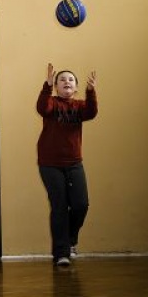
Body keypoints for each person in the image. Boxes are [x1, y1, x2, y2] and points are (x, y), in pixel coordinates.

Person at [37, 63, 98, 266]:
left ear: (76, 87)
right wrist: (46, 86)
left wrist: (91, 92)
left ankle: (70, 240)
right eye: (62, 80)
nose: (66, 82)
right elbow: (42, 107)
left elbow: (91, 113)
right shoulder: (52, 103)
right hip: (50, 163)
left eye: (71, 79)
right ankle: (61, 253)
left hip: (74, 163)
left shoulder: (79, 106)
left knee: (81, 204)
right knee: (59, 207)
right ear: (56, 86)